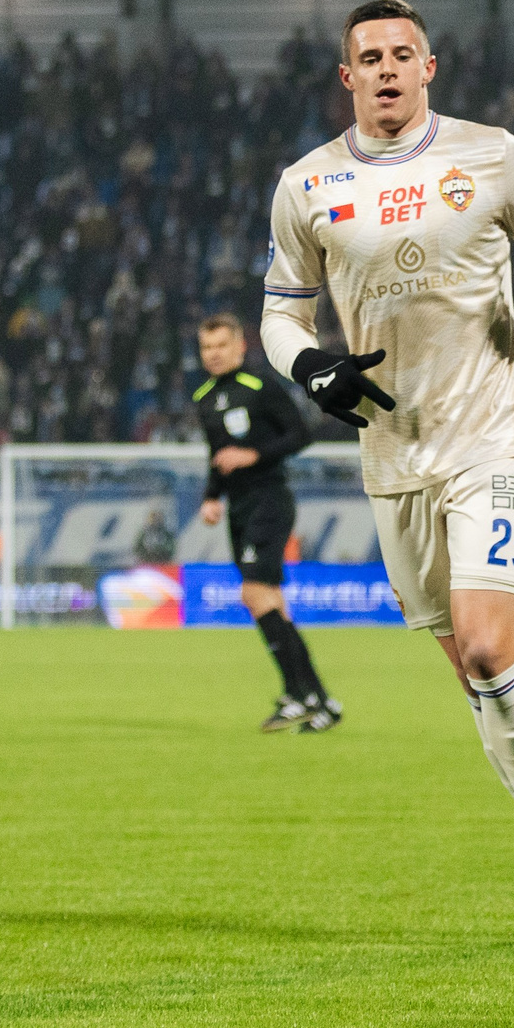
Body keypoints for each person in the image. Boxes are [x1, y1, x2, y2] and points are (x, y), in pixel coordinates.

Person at [259, 0, 514, 950]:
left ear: (429, 67)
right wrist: (309, 367)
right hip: (393, 446)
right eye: (367, 56)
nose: (384, 68)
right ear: (347, 76)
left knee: (492, 646)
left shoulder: (494, 154)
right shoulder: (306, 185)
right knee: (469, 669)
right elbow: (282, 314)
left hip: (493, 430)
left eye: (400, 53)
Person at [192, 313, 333, 732]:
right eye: (206, 347)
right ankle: (320, 701)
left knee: (254, 594)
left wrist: (254, 456)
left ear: (240, 346)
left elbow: (301, 434)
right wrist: (211, 496)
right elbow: (217, 454)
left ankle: (298, 695)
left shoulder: (260, 387)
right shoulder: (204, 397)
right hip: (238, 507)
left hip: (269, 499)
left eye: (221, 345)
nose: (214, 354)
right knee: (271, 602)